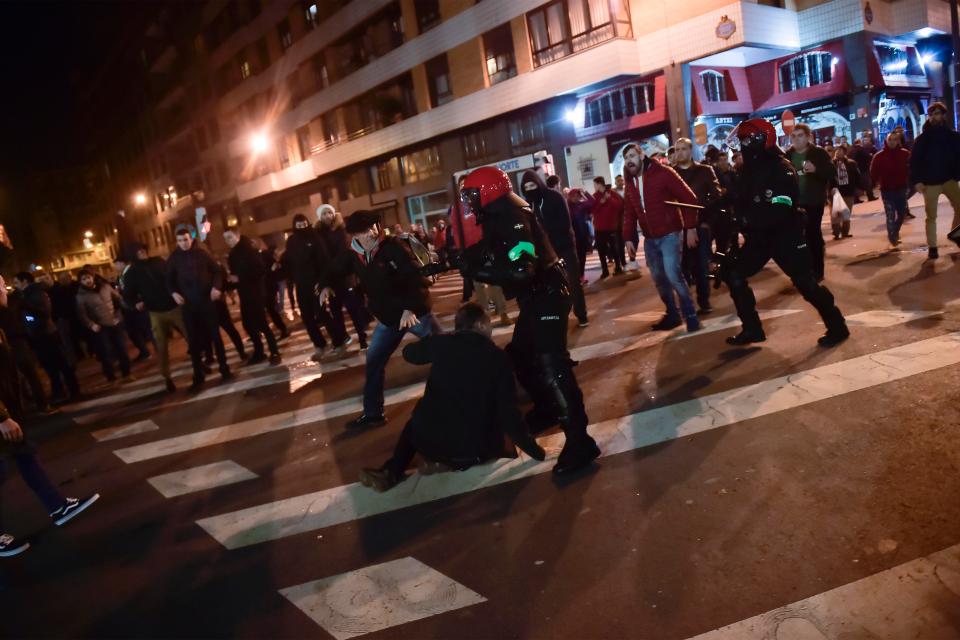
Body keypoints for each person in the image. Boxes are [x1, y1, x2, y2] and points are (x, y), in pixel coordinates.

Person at [458, 166, 601, 475]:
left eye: (471, 195)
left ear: (488, 192)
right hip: (538, 296)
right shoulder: (502, 213)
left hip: (547, 294)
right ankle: (548, 408)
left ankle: (580, 441)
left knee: (554, 366)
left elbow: (522, 267)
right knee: (521, 355)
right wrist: (463, 258)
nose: (469, 202)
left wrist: (477, 271)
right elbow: (498, 250)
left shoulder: (511, 216)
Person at [359, 303, 546, 492]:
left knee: (417, 418)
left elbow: (409, 353)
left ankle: (391, 471)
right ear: (480, 326)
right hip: (473, 450)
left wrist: (433, 343)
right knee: (495, 410)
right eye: (488, 324)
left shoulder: (441, 344)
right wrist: (534, 450)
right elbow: (509, 414)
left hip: (429, 444)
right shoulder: (497, 357)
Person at [721, 118, 849, 347]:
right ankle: (752, 329)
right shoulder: (749, 169)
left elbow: (783, 203)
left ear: (757, 141)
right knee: (735, 275)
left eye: (744, 141)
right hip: (759, 238)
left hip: (784, 236)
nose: (741, 147)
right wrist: (715, 210)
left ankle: (837, 326)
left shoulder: (780, 167)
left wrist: (751, 217)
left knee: (806, 284)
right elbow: (737, 196)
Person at [0, 304, 99, 557]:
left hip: (10, 410)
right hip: (3, 415)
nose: (2, 285)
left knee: (25, 456)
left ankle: (57, 506)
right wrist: (2, 416)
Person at [343, 210, 440, 429]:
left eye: (368, 230)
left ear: (377, 228)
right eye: (359, 234)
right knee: (374, 362)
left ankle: (468, 391)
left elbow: (417, 278)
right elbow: (335, 267)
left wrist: (409, 307)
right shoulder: (355, 254)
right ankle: (373, 413)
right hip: (389, 320)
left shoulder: (394, 247)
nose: (366, 236)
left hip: (415, 314)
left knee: (445, 351)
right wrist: (325, 284)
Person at [621, 143, 702, 332]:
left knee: (673, 275)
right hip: (650, 238)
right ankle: (672, 315)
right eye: (626, 158)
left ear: (641, 156)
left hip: (670, 234)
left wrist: (690, 227)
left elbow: (689, 198)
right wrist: (628, 238)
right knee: (659, 278)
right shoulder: (629, 182)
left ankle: (690, 314)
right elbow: (630, 212)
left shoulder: (663, 173)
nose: (629, 161)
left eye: (632, 156)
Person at [166, 225, 233, 392]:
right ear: (177, 241)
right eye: (180, 240)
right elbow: (168, 280)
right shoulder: (173, 258)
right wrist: (173, 292)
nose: (183, 243)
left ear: (191, 239)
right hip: (188, 306)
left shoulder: (201, 254)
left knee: (215, 336)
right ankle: (198, 375)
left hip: (206, 302)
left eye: (186, 240)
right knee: (194, 341)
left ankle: (224, 368)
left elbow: (217, 272)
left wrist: (216, 287)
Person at [521, 169, 589, 327]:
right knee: (553, 288)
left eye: (533, 185)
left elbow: (565, 223)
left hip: (564, 246)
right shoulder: (528, 204)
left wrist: (544, 231)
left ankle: (581, 314)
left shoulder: (554, 197)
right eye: (527, 187)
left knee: (573, 283)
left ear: (538, 183)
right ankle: (559, 318)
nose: (531, 189)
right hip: (545, 253)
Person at [283, 213, 349, 360]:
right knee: (307, 317)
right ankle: (319, 345)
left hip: (316, 284)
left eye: (304, 225)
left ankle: (339, 341)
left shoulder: (315, 238)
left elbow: (324, 262)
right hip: (301, 285)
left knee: (321, 314)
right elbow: (288, 260)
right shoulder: (292, 241)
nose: (302, 228)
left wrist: (323, 282)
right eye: (298, 226)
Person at [122, 245, 185, 393]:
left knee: (191, 337)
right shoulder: (132, 273)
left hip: (174, 307)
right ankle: (167, 378)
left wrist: (178, 292)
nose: (142, 253)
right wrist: (135, 303)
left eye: (144, 250)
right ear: (134, 255)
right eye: (139, 251)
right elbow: (127, 295)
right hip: (155, 312)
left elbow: (174, 277)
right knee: (161, 347)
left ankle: (198, 365)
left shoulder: (159, 262)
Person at [12, 272, 81, 403]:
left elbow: (43, 313)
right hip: (39, 336)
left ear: (25, 281)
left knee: (61, 364)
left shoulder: (37, 293)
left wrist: (27, 315)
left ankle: (73, 390)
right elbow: (28, 317)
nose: (15, 286)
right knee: (50, 367)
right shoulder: (26, 295)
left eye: (16, 282)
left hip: (47, 335)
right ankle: (59, 391)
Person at [673, 137, 722, 315]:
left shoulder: (705, 171)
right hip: (679, 228)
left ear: (690, 150)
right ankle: (687, 303)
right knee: (681, 268)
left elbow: (716, 198)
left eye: (683, 149)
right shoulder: (671, 174)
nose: (680, 153)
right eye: (677, 150)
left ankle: (704, 301)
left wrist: (707, 222)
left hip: (701, 225)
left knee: (701, 266)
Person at [909, 101, 960, 260]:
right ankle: (932, 247)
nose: (936, 116)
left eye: (939, 113)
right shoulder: (923, 139)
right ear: (929, 117)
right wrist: (917, 181)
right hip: (930, 183)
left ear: (944, 115)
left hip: (949, 180)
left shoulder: (952, 136)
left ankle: (955, 234)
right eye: (933, 114)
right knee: (931, 216)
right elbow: (914, 161)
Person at [224, 228, 282, 366]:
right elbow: (235, 276)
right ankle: (259, 351)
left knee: (262, 324)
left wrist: (240, 278)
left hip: (256, 293)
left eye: (230, 237)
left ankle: (274, 352)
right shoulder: (232, 254)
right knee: (248, 325)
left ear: (237, 236)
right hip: (244, 294)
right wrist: (228, 283)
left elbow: (260, 270)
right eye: (225, 238)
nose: (228, 241)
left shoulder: (249, 249)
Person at [785, 123, 836, 281]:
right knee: (797, 239)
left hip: (814, 201)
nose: (796, 139)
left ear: (808, 137)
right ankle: (803, 271)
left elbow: (831, 173)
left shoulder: (818, 153)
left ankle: (817, 271)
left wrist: (816, 170)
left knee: (813, 235)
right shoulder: (787, 156)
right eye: (793, 136)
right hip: (794, 204)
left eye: (800, 135)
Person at [316, 204, 370, 350]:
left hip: (344, 277)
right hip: (331, 280)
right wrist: (324, 281)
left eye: (329, 212)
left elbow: (345, 253)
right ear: (319, 217)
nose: (327, 216)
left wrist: (335, 269)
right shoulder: (318, 234)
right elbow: (320, 257)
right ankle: (342, 338)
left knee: (354, 310)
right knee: (336, 312)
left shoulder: (342, 230)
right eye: (324, 214)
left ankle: (362, 338)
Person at [0, 278, 52, 414]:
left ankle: (42, 404)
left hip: (18, 342)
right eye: (3, 285)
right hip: (5, 346)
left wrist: (26, 323)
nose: (5, 288)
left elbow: (35, 313)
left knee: (30, 374)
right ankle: (19, 409)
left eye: (5, 284)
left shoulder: (14, 301)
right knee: (11, 379)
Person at [75, 269, 133, 385]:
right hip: (100, 327)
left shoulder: (105, 287)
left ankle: (127, 373)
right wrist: (92, 325)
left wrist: (118, 316)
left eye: (88, 277)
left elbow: (118, 300)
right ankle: (111, 377)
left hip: (114, 323)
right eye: (84, 279)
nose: (87, 281)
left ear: (93, 277)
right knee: (105, 354)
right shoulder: (80, 297)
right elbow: (82, 315)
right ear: (80, 281)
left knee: (121, 349)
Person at [870, 132, 912, 249]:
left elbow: (911, 167)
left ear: (898, 141)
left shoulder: (905, 154)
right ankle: (892, 238)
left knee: (902, 214)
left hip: (901, 189)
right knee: (890, 215)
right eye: (890, 139)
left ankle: (895, 232)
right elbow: (873, 172)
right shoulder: (879, 156)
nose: (892, 142)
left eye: (894, 139)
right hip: (887, 191)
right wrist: (878, 181)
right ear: (886, 141)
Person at [589, 177, 624, 279]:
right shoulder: (595, 196)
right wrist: (601, 203)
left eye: (595, 184)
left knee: (614, 247)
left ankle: (618, 267)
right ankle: (605, 270)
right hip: (599, 227)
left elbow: (619, 206)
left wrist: (609, 199)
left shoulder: (612, 193)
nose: (594, 186)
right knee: (601, 250)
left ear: (600, 184)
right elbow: (592, 211)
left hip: (611, 226)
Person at [257, 242, 289, 338]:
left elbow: (270, 270)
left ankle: (281, 329)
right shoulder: (263, 256)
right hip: (268, 286)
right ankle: (281, 329)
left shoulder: (264, 255)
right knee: (270, 309)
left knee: (270, 308)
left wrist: (271, 270)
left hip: (267, 286)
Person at [831, 146, 861, 240]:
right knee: (836, 214)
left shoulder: (851, 163)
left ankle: (845, 232)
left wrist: (858, 188)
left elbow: (857, 176)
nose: (838, 152)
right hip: (835, 192)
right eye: (836, 151)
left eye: (840, 151)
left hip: (848, 191)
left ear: (844, 153)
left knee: (846, 213)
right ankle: (836, 232)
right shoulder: (831, 164)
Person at [566, 188, 594, 283]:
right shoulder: (566, 206)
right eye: (574, 196)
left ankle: (581, 276)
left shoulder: (581, 205)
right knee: (573, 258)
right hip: (572, 237)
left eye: (578, 196)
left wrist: (584, 193)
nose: (576, 198)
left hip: (582, 236)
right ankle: (574, 277)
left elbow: (592, 202)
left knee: (582, 257)